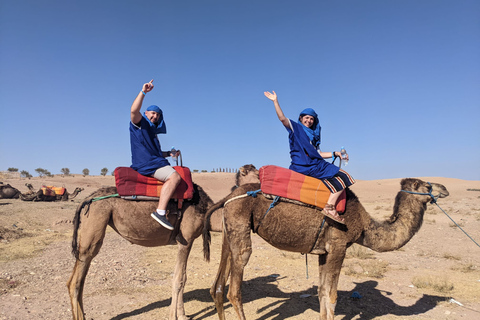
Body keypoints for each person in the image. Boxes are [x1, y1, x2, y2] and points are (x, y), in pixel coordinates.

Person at [264, 90, 355, 224]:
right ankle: (329, 207)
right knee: (345, 177)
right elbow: (282, 118)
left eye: (311, 119)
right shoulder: (295, 128)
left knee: (339, 176)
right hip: (307, 166)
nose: (309, 120)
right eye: (306, 117)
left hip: (314, 164)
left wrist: (335, 153)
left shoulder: (313, 137)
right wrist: (275, 101)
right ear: (300, 118)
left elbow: (317, 153)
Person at [130, 79, 181, 230]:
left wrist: (169, 154)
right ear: (146, 113)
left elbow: (156, 153)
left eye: (158, 115)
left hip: (154, 161)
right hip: (147, 164)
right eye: (153, 113)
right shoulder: (139, 123)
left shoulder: (152, 133)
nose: (155, 116)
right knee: (175, 177)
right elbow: (133, 111)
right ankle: (160, 211)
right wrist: (143, 92)